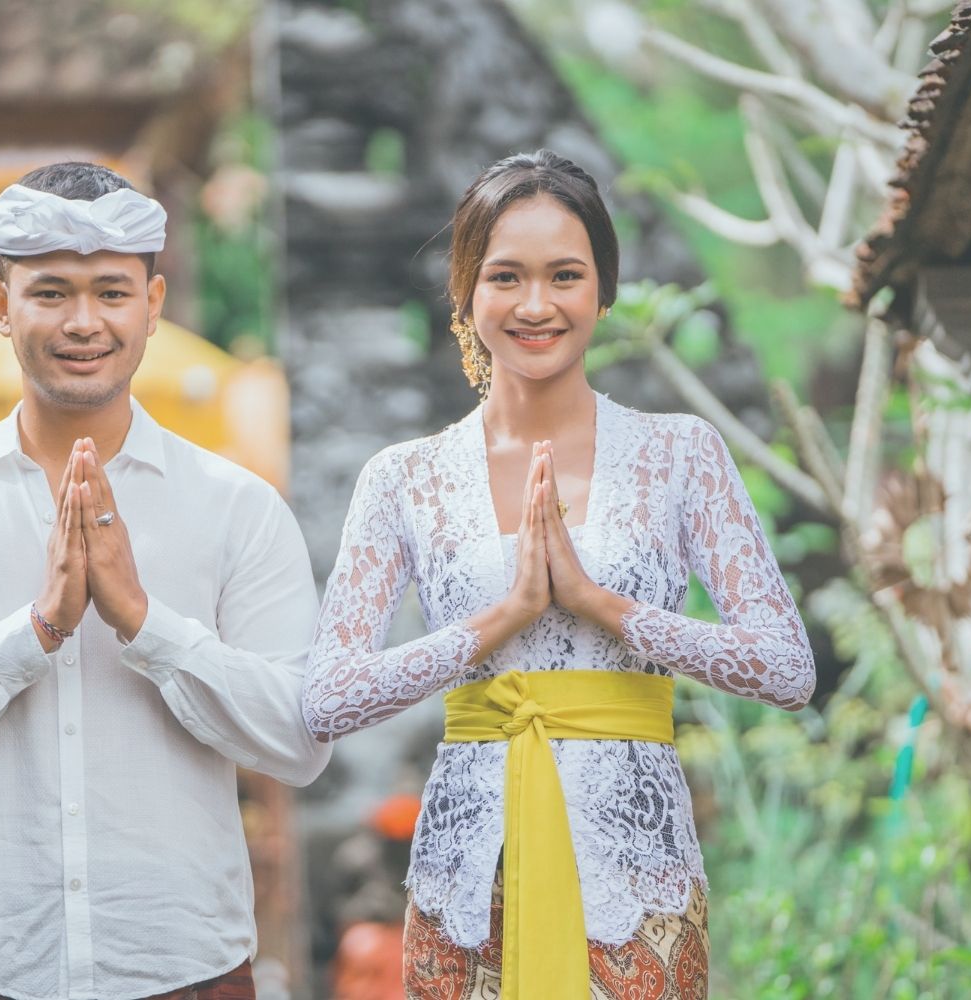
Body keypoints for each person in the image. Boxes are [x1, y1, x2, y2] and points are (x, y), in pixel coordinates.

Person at [302, 149, 816, 999]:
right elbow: (328, 698)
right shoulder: (405, 476)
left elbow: (787, 667)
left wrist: (604, 607)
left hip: (637, 881)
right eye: (506, 276)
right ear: (466, 292)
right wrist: (494, 624)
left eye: (565, 275)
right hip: (467, 881)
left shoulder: (680, 454)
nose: (536, 305)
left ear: (603, 292)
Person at [0, 162, 329, 1000]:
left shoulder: (240, 507)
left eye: (111, 292)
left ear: (154, 304)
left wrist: (144, 623)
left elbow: (302, 740)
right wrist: (33, 634)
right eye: (51, 292)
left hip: (191, 975)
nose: (84, 321)